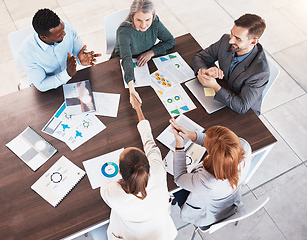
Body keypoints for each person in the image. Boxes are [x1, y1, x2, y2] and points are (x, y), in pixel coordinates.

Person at [100, 94, 177, 240]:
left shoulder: (113, 192)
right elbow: (150, 143)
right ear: (147, 164)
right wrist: (138, 109)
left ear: (120, 173)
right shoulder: (158, 171)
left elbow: (105, 186)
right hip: (161, 234)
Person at [170, 118, 251, 228]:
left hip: (208, 213)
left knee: (171, 186)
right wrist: (191, 135)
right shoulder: (244, 147)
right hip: (228, 200)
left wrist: (179, 146)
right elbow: (221, 144)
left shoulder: (207, 182)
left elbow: (179, 178)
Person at [192, 13, 269, 115]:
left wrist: (215, 86)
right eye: (232, 33)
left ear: (253, 42)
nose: (231, 40)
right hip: (226, 90)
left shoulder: (260, 72)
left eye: (238, 38)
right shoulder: (225, 40)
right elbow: (200, 57)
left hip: (244, 112)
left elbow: (242, 106)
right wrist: (204, 70)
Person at [20, 8, 101, 92]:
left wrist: (82, 58)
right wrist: (67, 74)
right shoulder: (27, 52)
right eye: (60, 34)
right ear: (44, 37)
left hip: (68, 79)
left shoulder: (67, 28)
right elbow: (41, 84)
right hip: (47, 89)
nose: (65, 34)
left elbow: (78, 51)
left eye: (63, 29)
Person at [113, 0, 175, 107]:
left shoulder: (155, 22)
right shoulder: (124, 31)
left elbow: (170, 41)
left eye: (147, 19)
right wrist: (132, 90)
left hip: (145, 59)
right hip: (123, 60)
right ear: (132, 17)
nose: (143, 25)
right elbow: (126, 58)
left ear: (153, 16)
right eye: (139, 20)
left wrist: (151, 52)